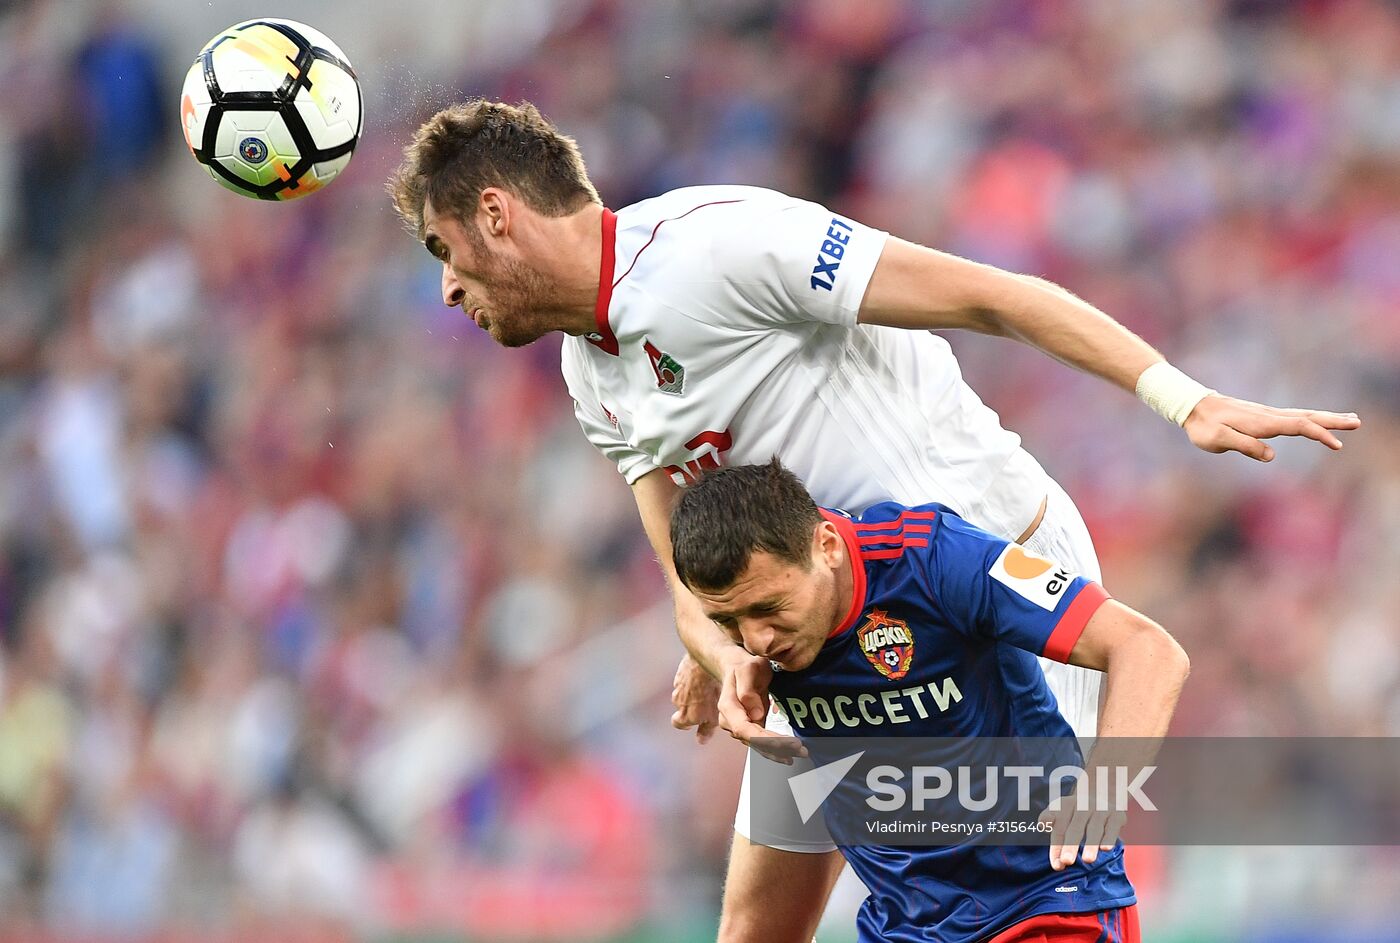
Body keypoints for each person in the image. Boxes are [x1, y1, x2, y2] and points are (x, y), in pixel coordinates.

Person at [387, 99, 1357, 942]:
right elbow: (682, 573)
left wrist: (1180, 398)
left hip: (984, 609)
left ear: (496, 213)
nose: (447, 288)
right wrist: (722, 655)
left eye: (443, 250)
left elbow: (987, 295)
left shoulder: (719, 247)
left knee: (1046, 886)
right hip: (819, 643)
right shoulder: (587, 371)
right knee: (755, 926)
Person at [669, 459, 1188, 942]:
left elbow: (1148, 649)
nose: (756, 640)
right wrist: (712, 656)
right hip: (904, 923)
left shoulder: (939, 559)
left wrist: (1103, 787)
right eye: (729, 621)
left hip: (1042, 902)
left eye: (770, 609)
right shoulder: (752, 624)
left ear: (826, 547)